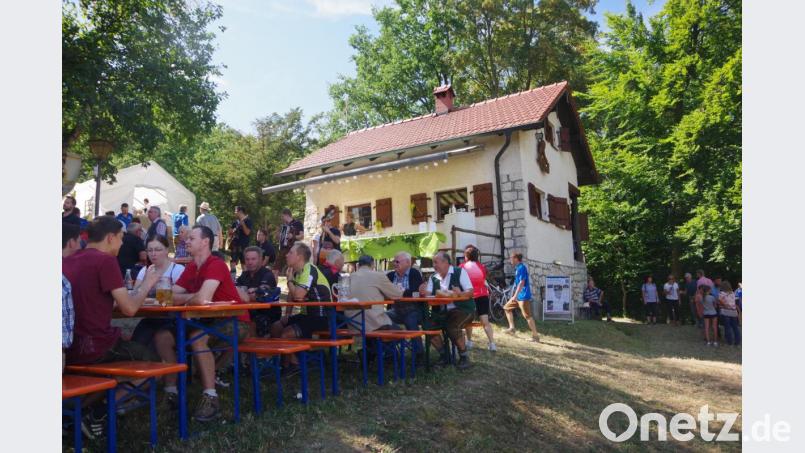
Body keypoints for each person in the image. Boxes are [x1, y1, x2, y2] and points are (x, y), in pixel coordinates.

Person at [63, 216, 161, 436]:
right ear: (110, 237)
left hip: (69, 349)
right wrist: (147, 284)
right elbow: (129, 309)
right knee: (155, 364)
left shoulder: (68, 260)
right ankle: (95, 412)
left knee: (129, 349)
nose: (121, 244)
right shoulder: (105, 261)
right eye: (120, 238)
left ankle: (77, 411)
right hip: (97, 346)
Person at [154, 225, 246, 421]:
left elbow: (199, 298)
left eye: (192, 238)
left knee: (197, 338)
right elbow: (169, 296)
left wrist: (190, 297)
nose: (186, 240)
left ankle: (211, 397)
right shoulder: (191, 267)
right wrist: (192, 297)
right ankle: (172, 392)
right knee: (161, 337)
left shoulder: (216, 264)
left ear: (206, 242)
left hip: (234, 320)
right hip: (204, 319)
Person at [270, 242, 332, 375]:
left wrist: (289, 280)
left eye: (291, 253)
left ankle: (290, 365)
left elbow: (298, 295)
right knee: (276, 326)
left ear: (299, 257)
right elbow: (291, 296)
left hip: (321, 317)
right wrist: (287, 314)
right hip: (307, 315)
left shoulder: (309, 269)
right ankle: (285, 362)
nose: (287, 255)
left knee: (286, 334)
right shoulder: (297, 272)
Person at [418, 251, 475, 369]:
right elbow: (428, 297)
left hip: (463, 309)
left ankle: (464, 357)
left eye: (435, 262)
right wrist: (423, 293)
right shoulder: (433, 278)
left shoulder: (459, 272)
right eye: (433, 262)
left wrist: (460, 294)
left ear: (446, 262)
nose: (434, 265)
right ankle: (444, 355)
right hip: (441, 312)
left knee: (452, 325)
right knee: (427, 325)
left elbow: (470, 292)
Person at [129, 235, 185, 351]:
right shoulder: (146, 270)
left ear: (167, 250)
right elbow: (134, 294)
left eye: (158, 249)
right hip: (151, 317)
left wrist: (147, 291)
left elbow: (176, 298)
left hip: (174, 319)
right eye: (150, 250)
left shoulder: (177, 269)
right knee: (136, 343)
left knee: (148, 338)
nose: (153, 254)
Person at [346, 255, 402, 332]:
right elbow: (397, 294)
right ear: (372, 264)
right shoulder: (378, 275)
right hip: (373, 323)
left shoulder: (350, 277)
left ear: (358, 265)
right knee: (399, 332)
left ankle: (374, 343)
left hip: (352, 324)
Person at [236, 246, 280, 337]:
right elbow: (234, 291)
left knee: (250, 323)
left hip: (267, 314)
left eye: (253, 259)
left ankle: (253, 349)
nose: (250, 262)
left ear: (261, 260)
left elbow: (260, 295)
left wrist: (245, 292)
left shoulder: (267, 274)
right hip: (249, 311)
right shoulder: (244, 275)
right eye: (247, 259)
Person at [385, 251, 425, 354]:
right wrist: (404, 292)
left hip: (414, 309)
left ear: (408, 262)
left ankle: (418, 353)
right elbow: (385, 293)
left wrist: (398, 292)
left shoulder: (414, 273)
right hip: (395, 310)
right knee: (382, 317)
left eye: (397, 261)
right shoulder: (390, 275)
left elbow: (417, 293)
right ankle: (391, 350)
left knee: (410, 319)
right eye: (394, 261)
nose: (394, 264)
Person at [460, 246, 497, 351]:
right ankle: (492, 344)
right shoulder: (482, 267)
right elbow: (484, 278)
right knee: (485, 322)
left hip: (469, 296)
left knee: (468, 320)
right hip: (482, 295)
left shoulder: (462, 266)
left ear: (466, 256)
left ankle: (469, 341)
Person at [503, 253, 540, 341]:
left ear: (516, 258)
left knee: (527, 316)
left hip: (523, 296)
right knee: (507, 308)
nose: (510, 260)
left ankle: (535, 336)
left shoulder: (521, 268)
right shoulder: (518, 268)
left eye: (511, 258)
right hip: (518, 296)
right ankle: (512, 328)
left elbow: (521, 283)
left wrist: (514, 296)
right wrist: (515, 295)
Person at [276, 208, 304, 274]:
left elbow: (302, 236)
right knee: (276, 269)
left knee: (291, 270)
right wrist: (278, 235)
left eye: (282, 216)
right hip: (283, 249)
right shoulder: (284, 226)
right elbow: (280, 238)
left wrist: (293, 236)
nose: (282, 218)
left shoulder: (298, 223)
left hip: (292, 249)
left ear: (286, 215)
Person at [228, 206, 253, 273]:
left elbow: (247, 233)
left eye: (236, 211)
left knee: (244, 263)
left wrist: (243, 224)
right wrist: (231, 231)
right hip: (235, 245)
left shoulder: (248, 220)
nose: (235, 213)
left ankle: (245, 280)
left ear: (240, 212)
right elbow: (230, 233)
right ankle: (233, 280)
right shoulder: (236, 221)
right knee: (232, 262)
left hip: (243, 246)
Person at [718, 280, 741, 346]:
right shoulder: (733, 293)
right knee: (735, 327)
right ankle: (737, 341)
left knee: (727, 327)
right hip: (733, 312)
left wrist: (725, 305)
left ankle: (729, 341)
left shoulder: (721, 293)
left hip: (725, 312)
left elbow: (719, 300)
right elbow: (736, 302)